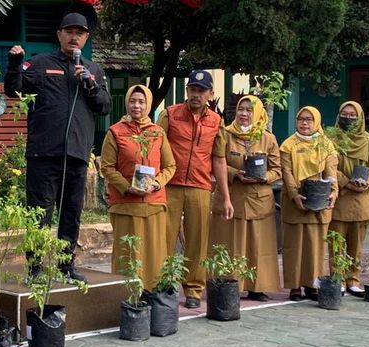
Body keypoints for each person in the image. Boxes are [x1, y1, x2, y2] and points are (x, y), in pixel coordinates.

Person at [4, 12, 111, 282]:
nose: (74, 37)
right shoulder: (41, 63)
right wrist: (15, 63)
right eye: (69, 31)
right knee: (39, 214)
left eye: (80, 33)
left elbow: (105, 106)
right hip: (44, 153)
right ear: (60, 35)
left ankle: (66, 266)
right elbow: (13, 89)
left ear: (86, 38)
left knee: (71, 214)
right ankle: (36, 268)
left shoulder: (94, 70)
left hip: (76, 154)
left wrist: (89, 83)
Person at [157, 70, 233, 309]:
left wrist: (226, 197)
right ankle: (164, 283)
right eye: (192, 89)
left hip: (200, 186)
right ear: (186, 91)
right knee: (165, 238)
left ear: (211, 94)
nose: (196, 94)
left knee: (198, 241)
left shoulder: (216, 122)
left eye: (201, 91)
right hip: (171, 184)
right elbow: (155, 148)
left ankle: (193, 289)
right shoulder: (170, 114)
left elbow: (219, 160)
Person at [100, 85, 177, 290]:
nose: (137, 106)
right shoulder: (116, 132)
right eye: (133, 101)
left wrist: (157, 182)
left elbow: (170, 166)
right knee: (128, 252)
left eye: (141, 102)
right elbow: (107, 167)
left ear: (148, 105)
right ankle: (126, 295)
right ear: (127, 103)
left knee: (154, 252)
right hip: (125, 204)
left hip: (154, 204)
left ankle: (153, 292)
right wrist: (127, 187)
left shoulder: (157, 133)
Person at [209, 95, 281, 302]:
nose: (244, 114)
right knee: (229, 241)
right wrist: (234, 173)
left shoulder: (268, 138)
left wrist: (263, 177)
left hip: (259, 198)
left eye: (249, 110)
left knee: (258, 244)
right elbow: (216, 161)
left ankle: (257, 286)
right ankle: (229, 284)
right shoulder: (226, 134)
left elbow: (278, 169)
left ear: (257, 113)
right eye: (241, 109)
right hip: (231, 196)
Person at [280, 106, 338, 302]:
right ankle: (294, 286)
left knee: (315, 246)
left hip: (318, 200)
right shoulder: (288, 145)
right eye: (301, 119)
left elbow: (331, 172)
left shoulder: (325, 145)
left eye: (309, 119)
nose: (305, 123)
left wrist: (333, 192)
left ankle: (312, 284)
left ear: (317, 122)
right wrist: (295, 194)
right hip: (294, 200)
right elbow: (286, 172)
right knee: (294, 246)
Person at [328, 101, 369, 296]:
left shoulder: (368, 140)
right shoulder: (331, 138)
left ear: (360, 118)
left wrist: (368, 183)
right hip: (340, 196)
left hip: (362, 198)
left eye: (352, 115)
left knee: (356, 244)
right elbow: (328, 166)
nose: (348, 118)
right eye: (344, 114)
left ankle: (353, 279)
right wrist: (346, 182)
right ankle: (337, 278)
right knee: (336, 242)